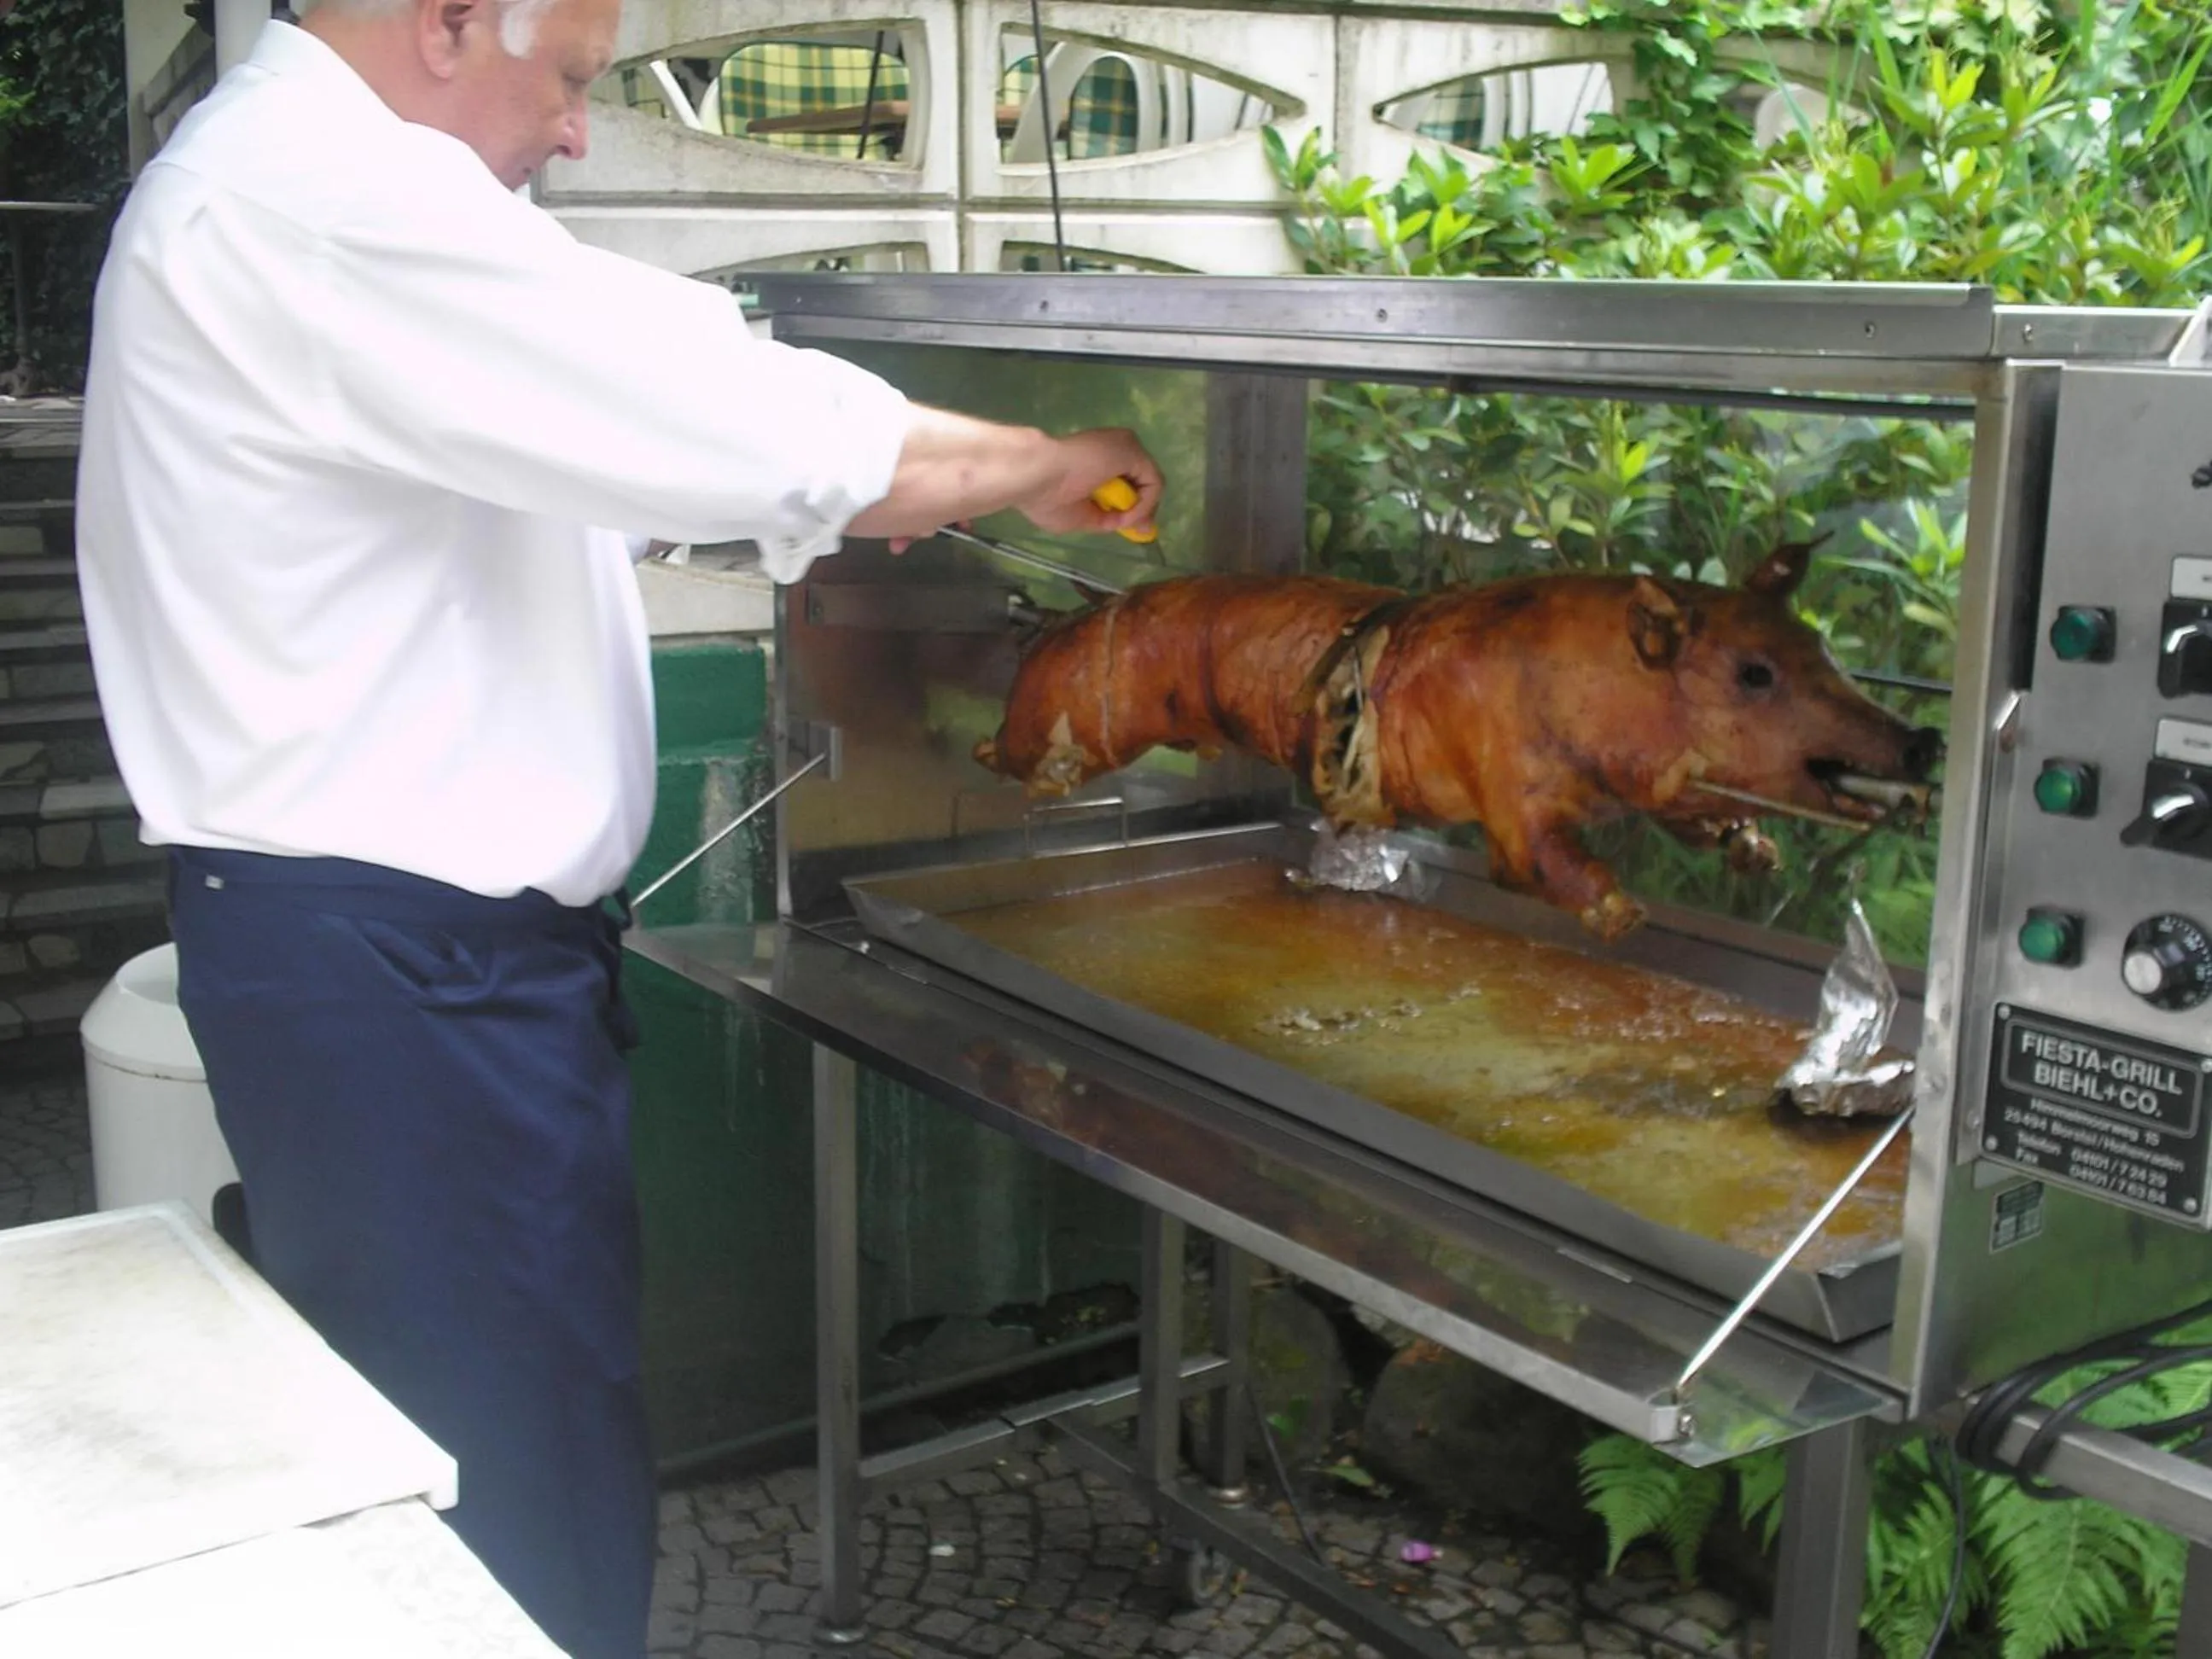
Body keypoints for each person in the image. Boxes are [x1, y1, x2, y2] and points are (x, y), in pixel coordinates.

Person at [74, 1, 1162, 1654]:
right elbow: (704, 406)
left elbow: (597, 441)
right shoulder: (311, 199)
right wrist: (1025, 462)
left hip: (411, 974)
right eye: (574, 78)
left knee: (510, 1448)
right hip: (405, 991)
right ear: (445, 22)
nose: (580, 130)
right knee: (503, 1508)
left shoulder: (293, 193)